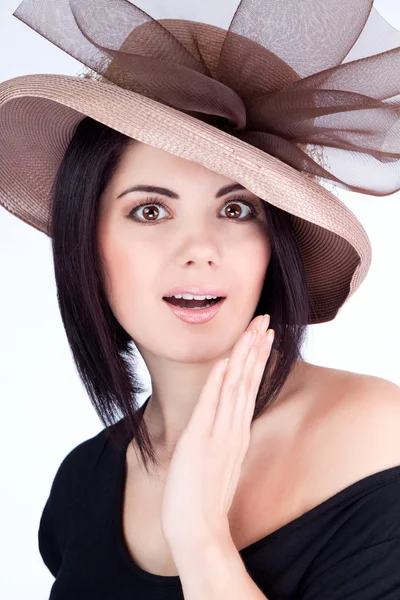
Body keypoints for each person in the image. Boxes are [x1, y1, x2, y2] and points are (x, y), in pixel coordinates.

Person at [1, 1, 400, 598]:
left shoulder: (376, 436)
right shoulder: (83, 482)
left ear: (272, 246)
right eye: (150, 210)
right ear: (88, 242)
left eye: (236, 210)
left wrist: (200, 538)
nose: (200, 249)